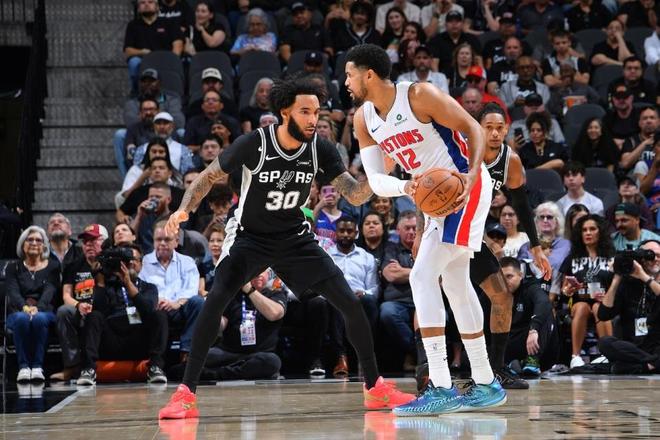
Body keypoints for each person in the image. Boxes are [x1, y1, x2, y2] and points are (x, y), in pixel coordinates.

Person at [158, 77, 415, 419]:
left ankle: (374, 387)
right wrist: (183, 209)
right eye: (305, 112)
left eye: (317, 112)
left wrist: (382, 176)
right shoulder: (255, 143)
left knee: (350, 304)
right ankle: (186, 394)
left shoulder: (320, 148)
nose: (313, 120)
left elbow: (354, 195)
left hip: (295, 238)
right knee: (215, 299)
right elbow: (206, 177)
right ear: (284, 112)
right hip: (249, 237)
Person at [346, 43, 506, 414]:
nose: (347, 82)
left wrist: (471, 174)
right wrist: (407, 187)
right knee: (455, 283)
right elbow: (376, 179)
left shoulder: (419, 95)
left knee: (421, 277)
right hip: (432, 200)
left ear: (369, 74)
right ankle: (486, 382)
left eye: (350, 75)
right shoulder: (363, 119)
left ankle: (441, 386)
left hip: (464, 185)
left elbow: (472, 127)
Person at [76, 244, 169, 386]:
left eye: (133, 260)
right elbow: (99, 310)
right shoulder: (107, 286)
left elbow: (148, 310)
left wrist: (128, 283)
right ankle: (89, 370)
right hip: (112, 340)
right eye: (125, 261)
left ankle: (155, 368)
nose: (129, 264)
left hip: (139, 340)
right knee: (94, 316)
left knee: (160, 315)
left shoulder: (148, 287)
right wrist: (100, 282)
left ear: (141, 264)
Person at [201, 270, 286, 380]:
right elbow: (221, 325)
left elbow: (274, 314)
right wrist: (212, 312)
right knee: (201, 357)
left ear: (268, 274)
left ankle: (215, 374)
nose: (259, 274)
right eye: (255, 270)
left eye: (262, 271)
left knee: (272, 361)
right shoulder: (233, 294)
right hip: (229, 352)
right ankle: (231, 372)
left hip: (259, 354)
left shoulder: (275, 293)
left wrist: (250, 290)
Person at [50, 224, 108, 382]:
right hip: (79, 309)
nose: (88, 245)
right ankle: (72, 366)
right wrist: (78, 305)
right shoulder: (73, 266)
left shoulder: (109, 265)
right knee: (63, 311)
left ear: (104, 242)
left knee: (97, 315)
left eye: (93, 240)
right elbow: (66, 295)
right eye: (85, 242)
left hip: (102, 311)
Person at [557, 214, 614, 369]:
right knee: (582, 307)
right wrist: (569, 290)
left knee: (598, 307)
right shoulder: (572, 258)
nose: (588, 233)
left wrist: (608, 296)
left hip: (605, 302)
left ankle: (608, 354)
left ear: (600, 232)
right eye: (584, 230)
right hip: (578, 301)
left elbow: (618, 285)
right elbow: (564, 290)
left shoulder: (611, 257)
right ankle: (575, 356)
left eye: (592, 229)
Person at [597, 239, 660, 374]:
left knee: (619, 366)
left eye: (658, 255)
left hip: (657, 346)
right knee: (605, 342)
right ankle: (652, 364)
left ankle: (642, 366)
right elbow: (603, 315)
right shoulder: (628, 283)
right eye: (650, 255)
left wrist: (644, 277)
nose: (655, 259)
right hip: (633, 348)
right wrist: (617, 277)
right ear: (640, 259)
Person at [6, 226, 60, 382]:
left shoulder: (53, 266)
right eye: (30, 240)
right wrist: (25, 308)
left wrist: (38, 308)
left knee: (39, 318)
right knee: (22, 318)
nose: (34, 243)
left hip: (45, 312)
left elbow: (49, 291)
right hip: (18, 312)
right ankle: (23, 367)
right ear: (22, 244)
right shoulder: (13, 267)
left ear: (44, 245)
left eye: (38, 240)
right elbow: (13, 292)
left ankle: (37, 366)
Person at [327, 216, 379, 377]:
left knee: (368, 301)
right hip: (335, 297)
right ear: (335, 233)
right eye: (342, 231)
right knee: (335, 302)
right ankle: (341, 358)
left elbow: (374, 289)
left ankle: (364, 359)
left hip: (359, 299)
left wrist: (364, 293)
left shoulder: (366, 257)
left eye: (349, 231)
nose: (345, 234)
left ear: (356, 233)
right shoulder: (326, 256)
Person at [500, 257, 557, 378]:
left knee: (547, 312)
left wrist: (534, 329)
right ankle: (509, 363)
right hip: (510, 340)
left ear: (520, 275)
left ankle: (532, 360)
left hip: (535, 341)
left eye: (509, 276)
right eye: (501, 278)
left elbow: (544, 302)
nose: (505, 282)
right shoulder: (494, 292)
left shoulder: (530, 287)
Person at [379, 211, 417, 372]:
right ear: (398, 230)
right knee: (387, 312)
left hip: (422, 302)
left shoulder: (426, 249)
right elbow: (391, 275)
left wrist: (403, 271)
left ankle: (413, 355)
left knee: (442, 316)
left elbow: (437, 277)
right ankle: (417, 352)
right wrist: (418, 273)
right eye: (407, 228)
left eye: (415, 228)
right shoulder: (390, 249)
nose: (411, 232)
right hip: (397, 302)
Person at [123, 0, 183, 95]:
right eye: (142, 3)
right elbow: (128, 51)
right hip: (143, 61)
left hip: (165, 60)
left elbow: (178, 44)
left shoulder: (170, 23)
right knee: (134, 62)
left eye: (150, 2)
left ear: (157, 7)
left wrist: (171, 59)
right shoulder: (132, 25)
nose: (146, 4)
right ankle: (136, 93)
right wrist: (142, 52)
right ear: (138, 8)